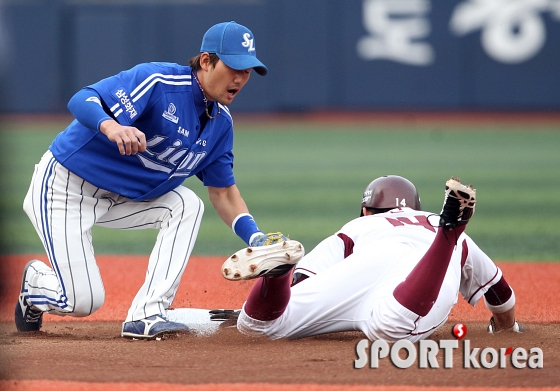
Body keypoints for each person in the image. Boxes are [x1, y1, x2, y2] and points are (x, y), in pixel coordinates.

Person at [16, 21, 286, 339]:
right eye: (234, 66)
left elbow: (224, 192)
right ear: (206, 61)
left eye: (248, 70)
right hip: (64, 188)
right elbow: (82, 99)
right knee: (81, 300)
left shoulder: (220, 124)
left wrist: (256, 239)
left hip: (120, 199)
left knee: (186, 204)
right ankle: (36, 285)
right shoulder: (159, 82)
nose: (240, 78)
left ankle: (147, 313)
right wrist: (111, 126)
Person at [219, 175, 523, 340]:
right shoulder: (433, 222)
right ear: (418, 207)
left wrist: (285, 288)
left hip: (364, 265)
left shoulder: (358, 225)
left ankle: (275, 275)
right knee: (390, 328)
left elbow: (303, 280)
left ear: (366, 209)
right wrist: (506, 326)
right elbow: (500, 292)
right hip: (422, 268)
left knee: (257, 328)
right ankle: (447, 235)